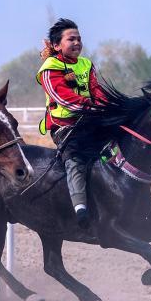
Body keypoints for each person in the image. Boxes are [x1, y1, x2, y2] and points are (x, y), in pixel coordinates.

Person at [36, 18, 107, 228]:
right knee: (75, 159)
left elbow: (97, 90)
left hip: (90, 120)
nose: (77, 42)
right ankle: (80, 207)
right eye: (71, 39)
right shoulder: (50, 67)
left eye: (79, 38)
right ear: (57, 45)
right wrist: (92, 108)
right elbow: (63, 97)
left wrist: (107, 106)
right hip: (65, 127)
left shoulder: (87, 64)